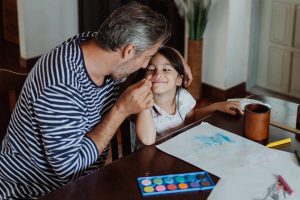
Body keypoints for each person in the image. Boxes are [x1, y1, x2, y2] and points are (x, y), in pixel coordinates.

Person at [0, 2, 188, 199]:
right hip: (34, 189)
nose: (146, 65)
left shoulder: (100, 45)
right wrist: (121, 110)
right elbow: (68, 169)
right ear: (129, 51)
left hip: (84, 180)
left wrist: (178, 62)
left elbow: (140, 59)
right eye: (148, 57)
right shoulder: (60, 85)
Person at [135, 46, 243, 146]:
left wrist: (218, 106)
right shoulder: (142, 106)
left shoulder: (182, 96)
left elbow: (192, 117)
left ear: (178, 80)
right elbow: (147, 140)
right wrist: (144, 99)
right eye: (150, 69)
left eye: (166, 69)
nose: (157, 73)